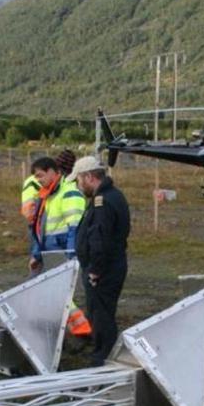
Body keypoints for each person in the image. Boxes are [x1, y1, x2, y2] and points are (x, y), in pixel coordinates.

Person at [69, 156, 131, 366]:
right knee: (101, 312)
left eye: (78, 180)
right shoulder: (112, 195)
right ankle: (103, 350)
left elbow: (100, 238)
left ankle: (102, 357)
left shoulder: (102, 201)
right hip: (111, 265)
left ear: (88, 177)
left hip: (104, 269)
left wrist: (95, 269)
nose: (79, 185)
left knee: (101, 314)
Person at [29, 150, 91, 337]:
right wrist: (36, 254)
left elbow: (75, 228)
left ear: (53, 172)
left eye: (40, 175)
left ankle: (80, 329)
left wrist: (71, 256)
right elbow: (39, 228)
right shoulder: (48, 195)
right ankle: (71, 328)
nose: (38, 180)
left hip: (61, 253)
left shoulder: (68, 193)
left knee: (58, 293)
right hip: (49, 252)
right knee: (47, 291)